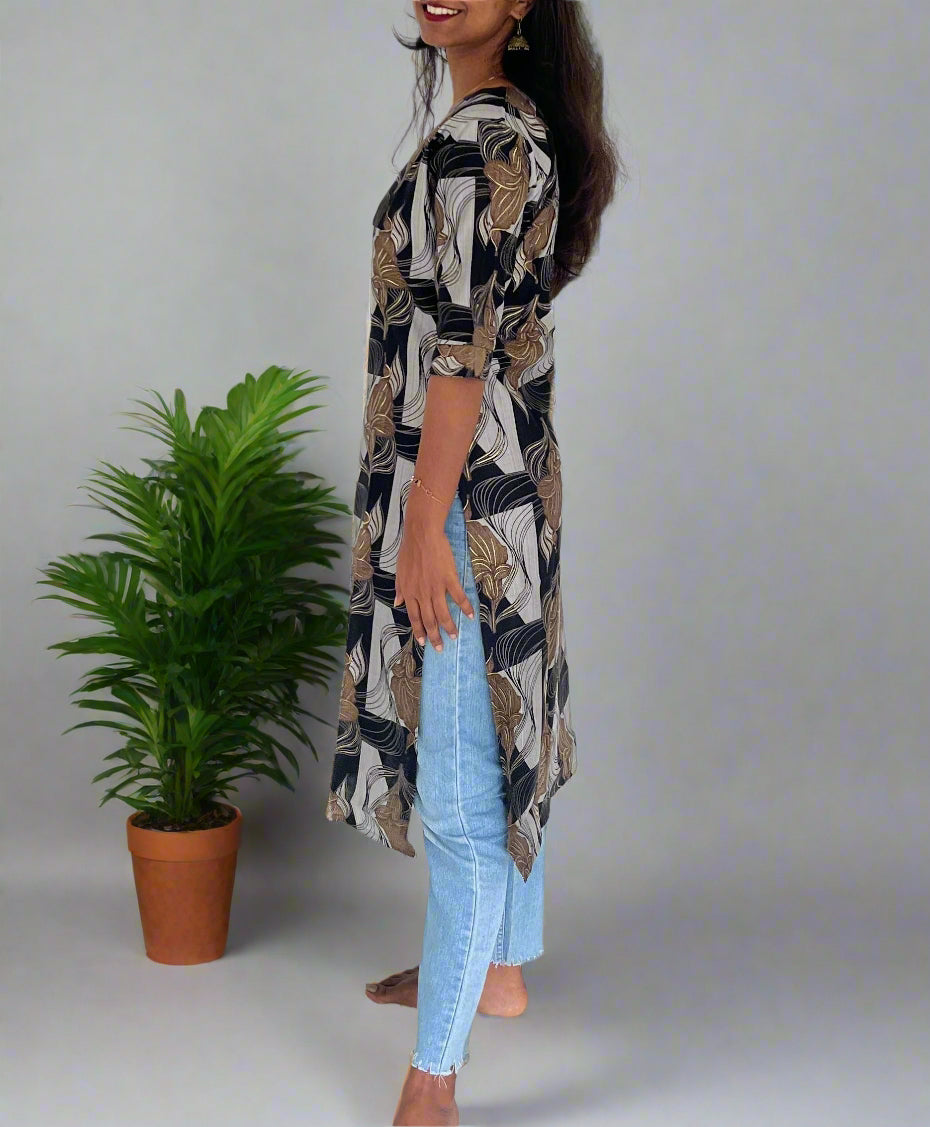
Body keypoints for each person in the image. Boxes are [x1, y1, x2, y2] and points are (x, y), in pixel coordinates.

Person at [323, 2, 624, 1122]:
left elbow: (456, 359)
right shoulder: (518, 126)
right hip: (512, 490)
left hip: (456, 499)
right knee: (509, 725)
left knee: (456, 794)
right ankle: (493, 972)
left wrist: (421, 524)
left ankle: (432, 1079)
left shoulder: (479, 143)